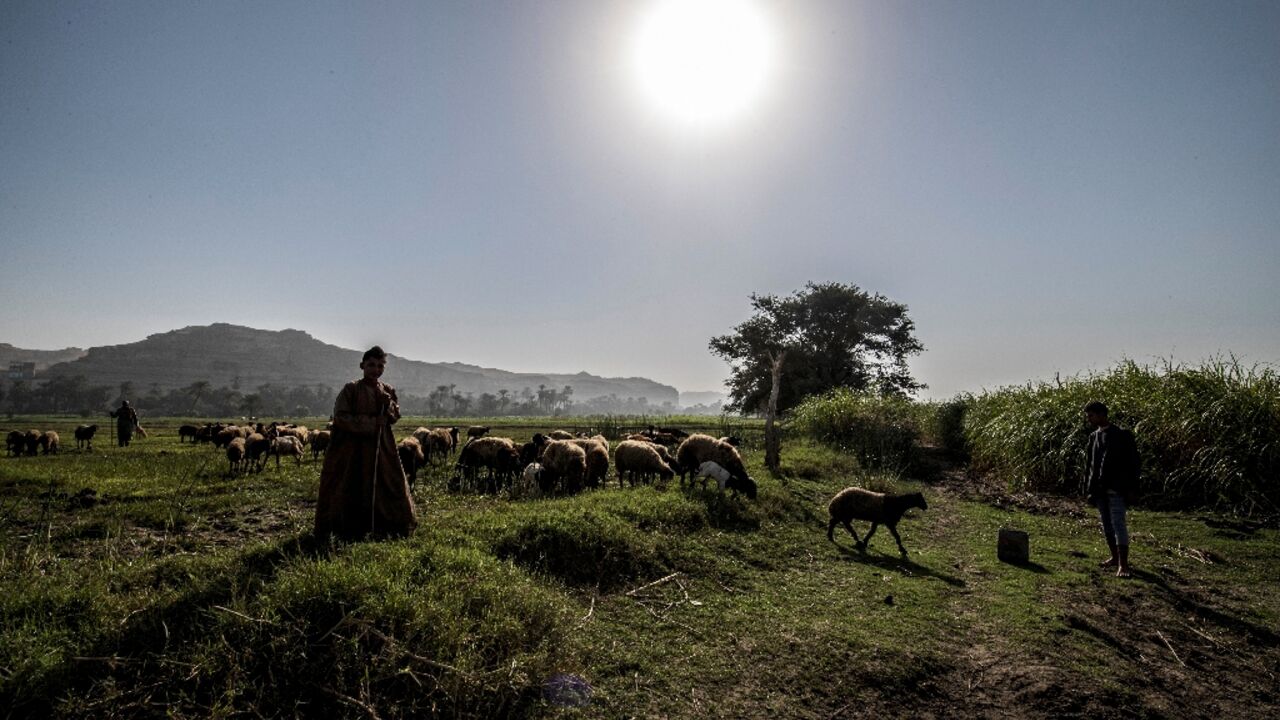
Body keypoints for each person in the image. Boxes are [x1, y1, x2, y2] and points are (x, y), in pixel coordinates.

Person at [314, 346, 417, 541]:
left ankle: (387, 526)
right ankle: (351, 528)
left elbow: (395, 417)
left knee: (387, 482)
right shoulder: (351, 389)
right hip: (354, 449)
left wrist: (388, 407)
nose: (376, 370)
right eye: (371, 365)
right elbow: (341, 418)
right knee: (353, 483)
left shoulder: (387, 390)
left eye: (380, 366)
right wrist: (371, 422)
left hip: (382, 448)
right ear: (362, 365)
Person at [1084, 401, 1141, 578]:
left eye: (1091, 415)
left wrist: (1131, 488)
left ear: (1102, 414)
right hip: (1099, 489)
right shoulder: (1093, 437)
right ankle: (1115, 558)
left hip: (1116, 488)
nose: (1089, 419)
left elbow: (1133, 463)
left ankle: (1123, 565)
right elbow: (1090, 465)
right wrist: (1088, 488)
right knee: (1107, 525)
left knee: (1118, 525)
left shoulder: (1121, 435)